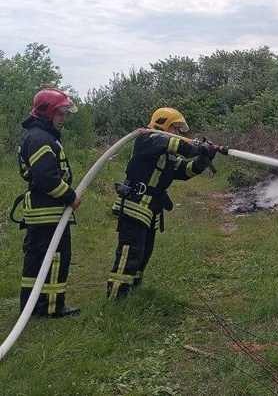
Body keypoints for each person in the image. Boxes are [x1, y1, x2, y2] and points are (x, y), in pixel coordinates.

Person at [107, 107, 216, 300]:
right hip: (135, 205)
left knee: (143, 252)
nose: (178, 133)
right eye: (175, 128)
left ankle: (134, 290)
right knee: (130, 252)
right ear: (163, 124)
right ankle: (117, 298)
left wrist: (203, 159)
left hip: (150, 209)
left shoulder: (165, 151)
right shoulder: (148, 139)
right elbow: (177, 144)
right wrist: (197, 146)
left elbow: (185, 171)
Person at [12, 88, 82, 318]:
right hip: (48, 211)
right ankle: (51, 308)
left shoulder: (35, 135)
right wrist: (70, 197)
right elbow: (46, 178)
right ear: (46, 113)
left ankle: (31, 306)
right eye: (60, 113)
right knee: (55, 259)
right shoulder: (41, 138)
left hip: (39, 211)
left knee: (36, 262)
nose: (63, 118)